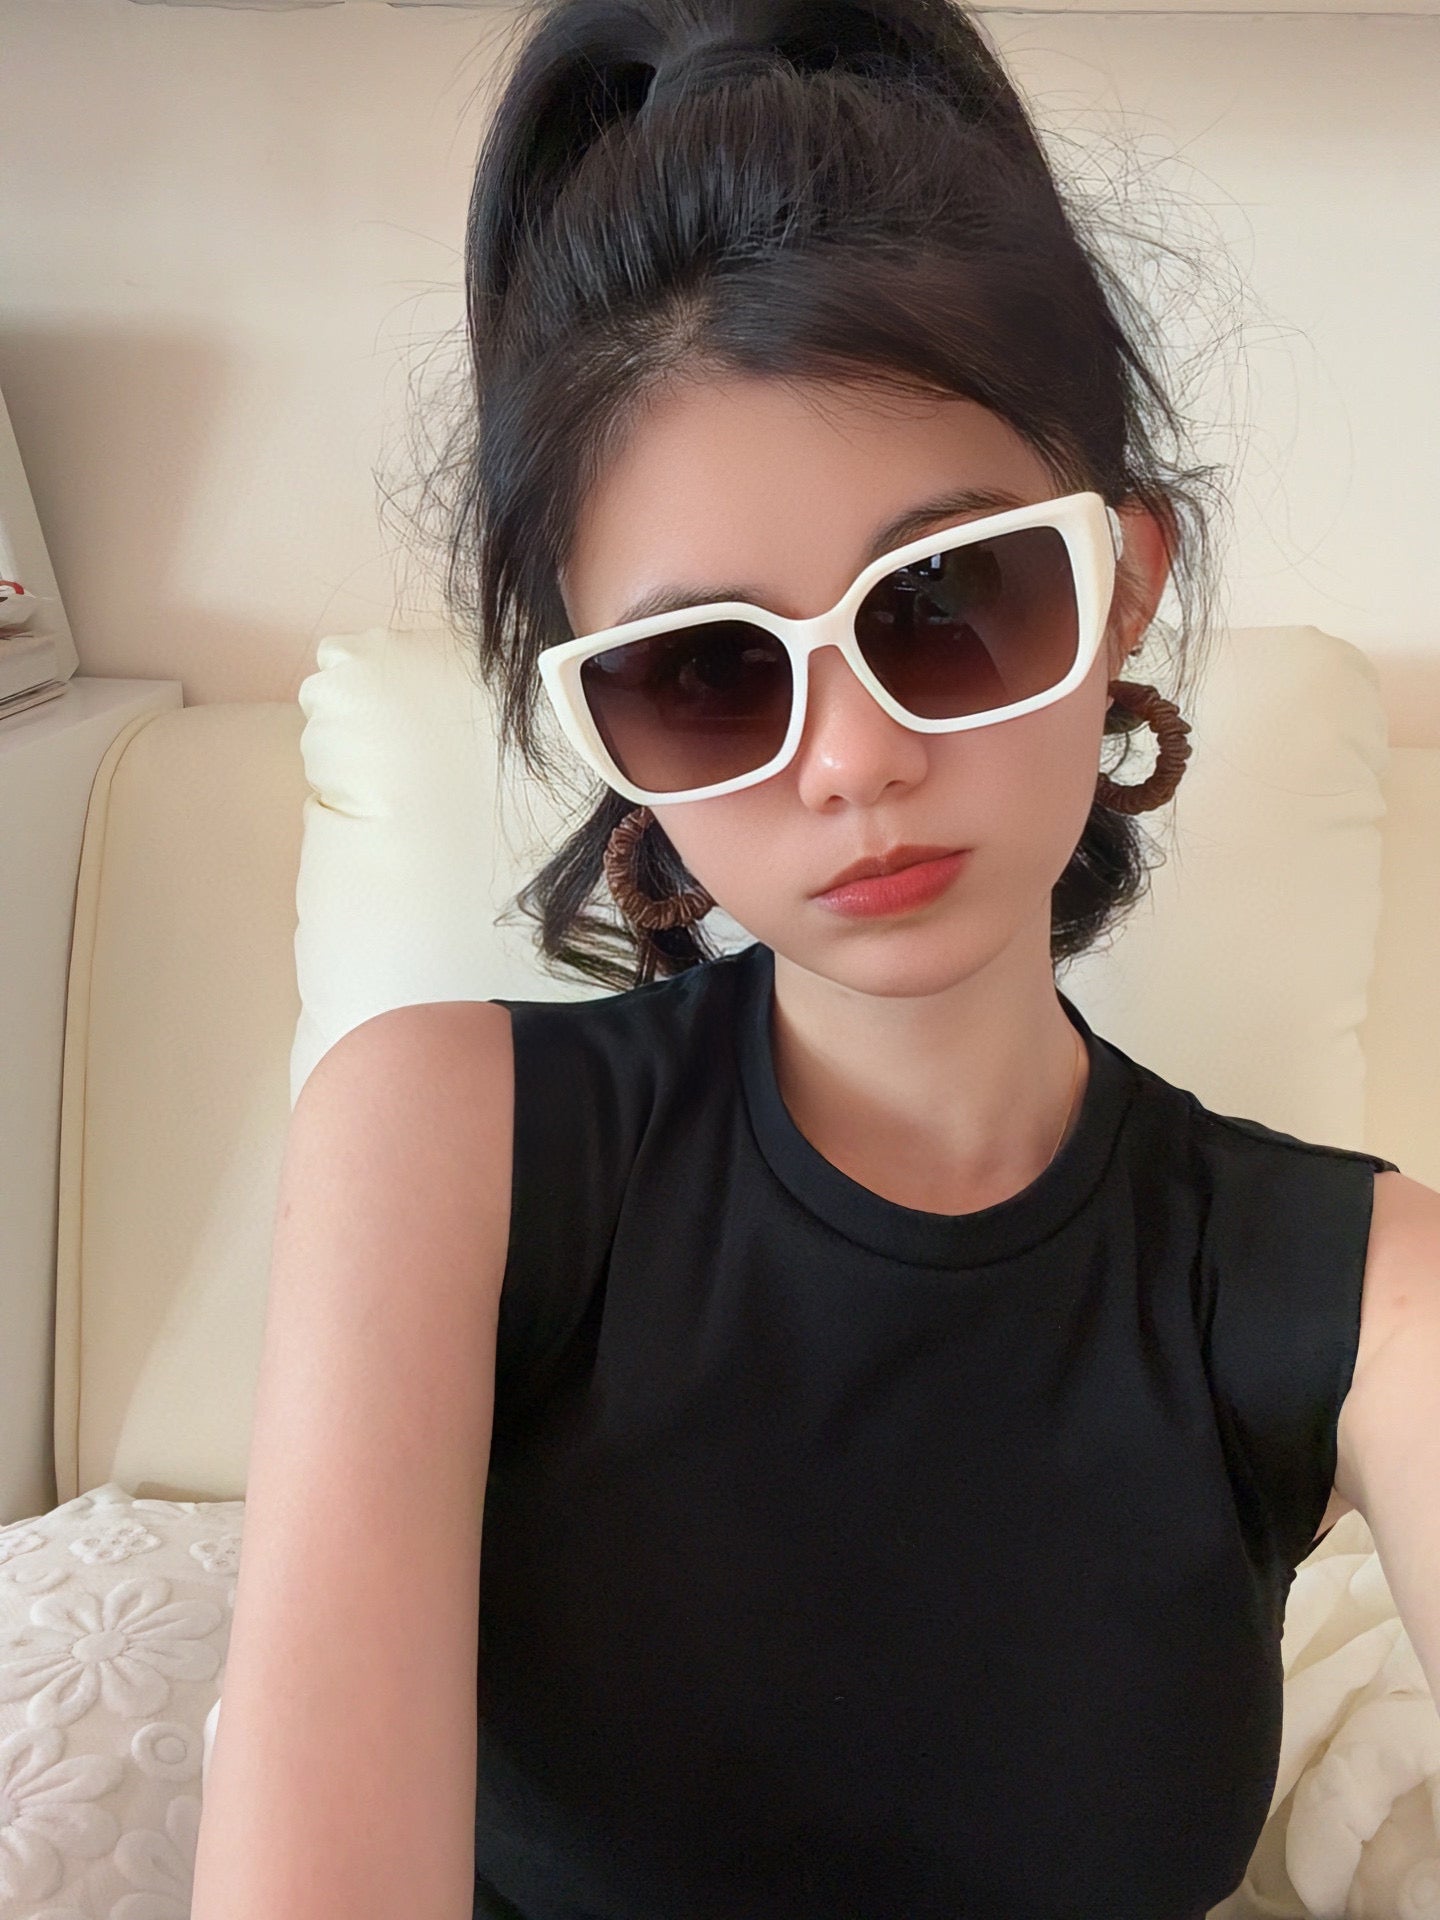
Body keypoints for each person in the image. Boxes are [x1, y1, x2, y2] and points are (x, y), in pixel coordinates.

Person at [191, 4, 1439, 1919]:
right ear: (606, 728)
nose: (852, 759)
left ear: (1121, 585)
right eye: (706, 671)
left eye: (946, 598)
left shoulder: (1364, 1287)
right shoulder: (443, 1146)